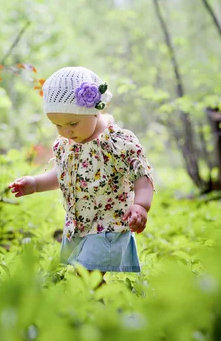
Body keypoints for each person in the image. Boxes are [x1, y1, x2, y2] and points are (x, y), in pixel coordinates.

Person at [8, 66, 155, 281]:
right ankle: (101, 306)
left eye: (72, 123)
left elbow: (141, 174)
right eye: (56, 124)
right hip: (79, 224)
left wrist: (141, 205)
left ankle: (102, 308)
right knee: (86, 278)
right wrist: (35, 183)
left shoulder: (116, 142)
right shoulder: (67, 144)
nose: (65, 131)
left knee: (85, 275)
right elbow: (63, 173)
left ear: (94, 111)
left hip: (108, 223)